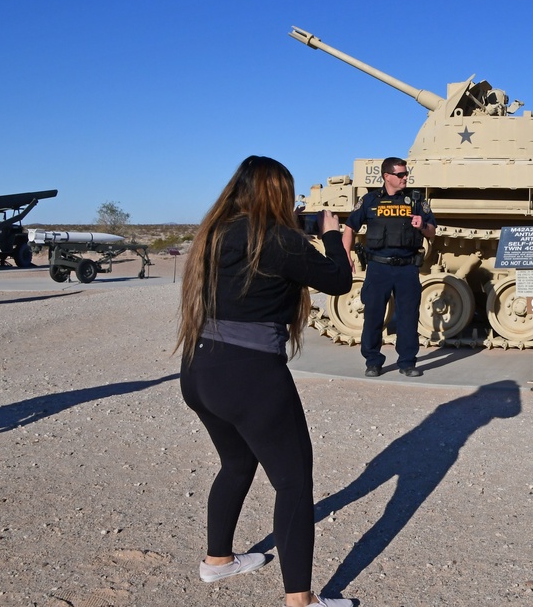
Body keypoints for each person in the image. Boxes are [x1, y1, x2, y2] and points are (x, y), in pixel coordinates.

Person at [177, 155, 354, 607]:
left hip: (200, 369)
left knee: (237, 464)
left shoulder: (215, 233)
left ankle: (218, 561)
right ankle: (301, 601)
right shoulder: (277, 240)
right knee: (294, 483)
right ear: (278, 196)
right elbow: (337, 280)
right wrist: (333, 235)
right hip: (250, 376)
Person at [342, 156, 436, 378]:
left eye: (406, 174)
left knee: (407, 317)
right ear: (387, 176)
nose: (405, 178)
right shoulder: (370, 200)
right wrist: (345, 254)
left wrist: (422, 225)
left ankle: (407, 361)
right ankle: (373, 361)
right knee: (373, 315)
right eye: (401, 174)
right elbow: (349, 227)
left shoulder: (415, 200)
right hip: (378, 267)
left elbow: (432, 230)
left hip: (407, 268)